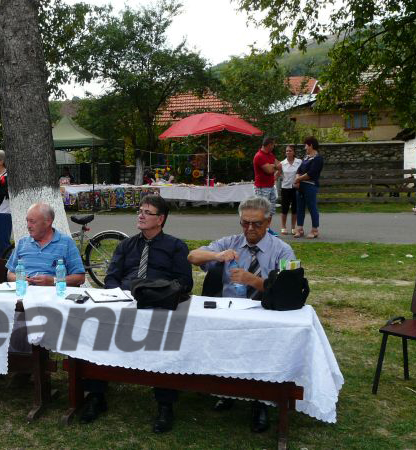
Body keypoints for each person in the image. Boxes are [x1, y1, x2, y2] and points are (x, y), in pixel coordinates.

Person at [81, 195, 193, 433]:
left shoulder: (176, 246)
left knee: (165, 340)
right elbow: (111, 278)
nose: (141, 216)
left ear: (160, 219)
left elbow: (184, 282)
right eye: (140, 211)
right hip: (124, 302)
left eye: (147, 212)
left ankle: (165, 405)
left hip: (157, 305)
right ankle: (96, 395)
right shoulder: (126, 245)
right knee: (94, 328)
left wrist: (156, 292)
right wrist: (118, 295)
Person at [186, 195, 296, 434]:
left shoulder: (282, 250)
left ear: (269, 222)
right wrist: (217, 256)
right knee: (220, 339)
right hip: (230, 314)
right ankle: (227, 391)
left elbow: (289, 291)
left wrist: (254, 281)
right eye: (245, 223)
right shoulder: (231, 242)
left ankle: (261, 402)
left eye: (256, 224)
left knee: (264, 345)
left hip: (266, 314)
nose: (250, 229)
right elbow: (192, 256)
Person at [5, 203, 85, 286]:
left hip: (54, 293)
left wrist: (54, 281)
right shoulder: (22, 243)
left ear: (48, 222)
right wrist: (20, 279)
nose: (28, 226)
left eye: (32, 221)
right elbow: (10, 274)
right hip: (25, 292)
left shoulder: (66, 243)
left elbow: (80, 278)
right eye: (27, 221)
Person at [293, 137, 324, 239]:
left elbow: (311, 173)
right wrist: (297, 179)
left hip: (310, 186)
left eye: (306, 145)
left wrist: (298, 179)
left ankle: (315, 230)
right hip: (301, 186)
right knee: (300, 207)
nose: (305, 147)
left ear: (311, 145)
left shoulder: (318, 159)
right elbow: (299, 170)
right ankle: (300, 229)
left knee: (312, 208)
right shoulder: (306, 157)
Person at [253, 136, 281, 233]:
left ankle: (267, 229)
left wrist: (273, 167)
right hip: (262, 187)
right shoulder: (259, 156)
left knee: (271, 210)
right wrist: (274, 166)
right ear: (269, 145)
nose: (274, 147)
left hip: (270, 186)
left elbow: (279, 165)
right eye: (273, 145)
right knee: (262, 210)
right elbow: (269, 170)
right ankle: (260, 229)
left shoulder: (270, 155)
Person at [278, 145, 301, 235]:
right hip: (285, 188)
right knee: (285, 208)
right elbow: (277, 173)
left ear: (294, 152)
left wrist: (299, 182)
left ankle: (293, 227)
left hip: (295, 188)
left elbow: (301, 172)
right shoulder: (282, 163)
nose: (288, 152)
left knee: (295, 208)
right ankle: (283, 227)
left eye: (290, 151)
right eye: (287, 151)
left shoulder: (299, 162)